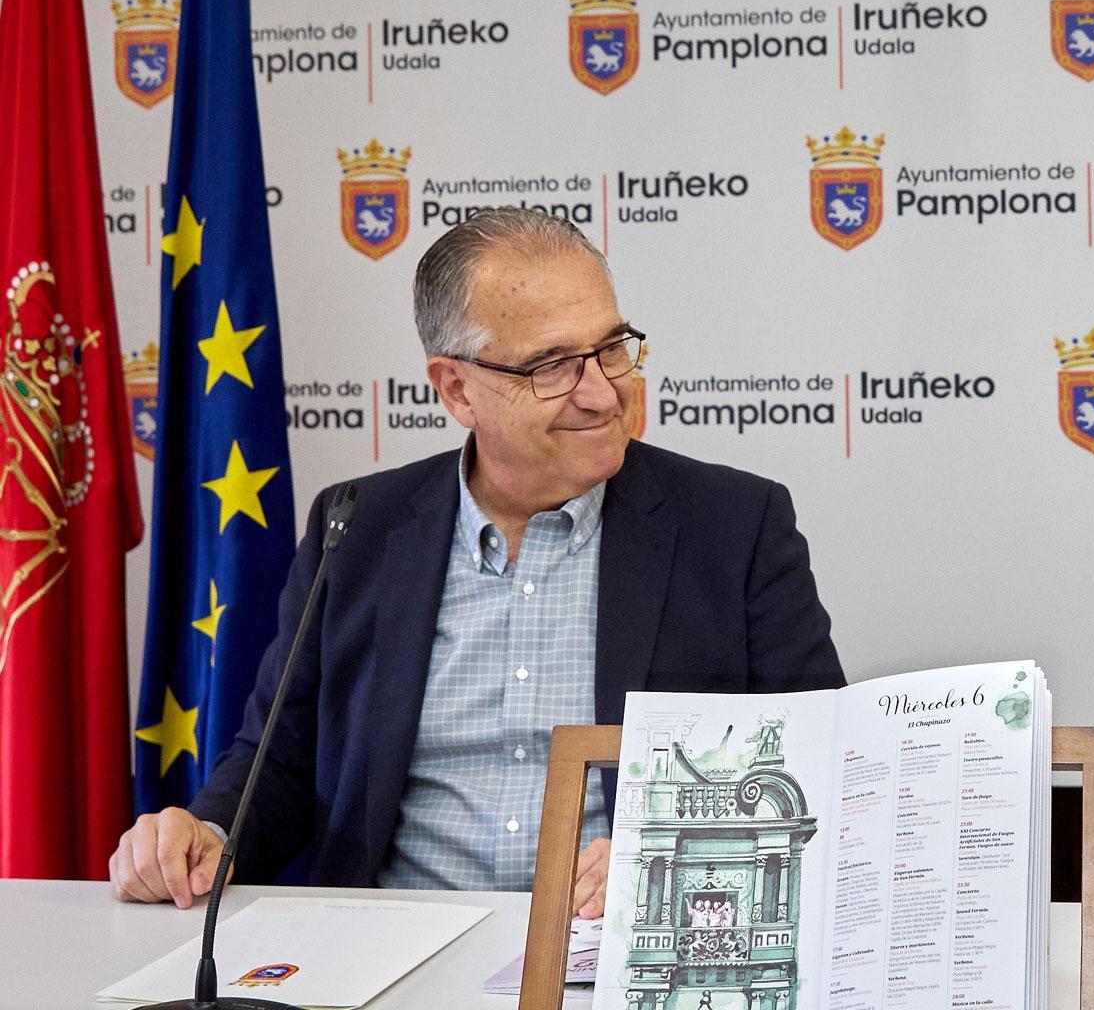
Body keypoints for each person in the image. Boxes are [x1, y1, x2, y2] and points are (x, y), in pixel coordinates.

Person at [108, 207, 844, 917]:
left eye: (612, 347)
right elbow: (283, 761)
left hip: (615, 953)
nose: (602, 393)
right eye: (552, 365)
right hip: (395, 951)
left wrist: (679, 852)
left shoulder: (734, 526)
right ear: (457, 389)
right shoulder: (357, 528)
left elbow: (820, 766)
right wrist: (207, 834)